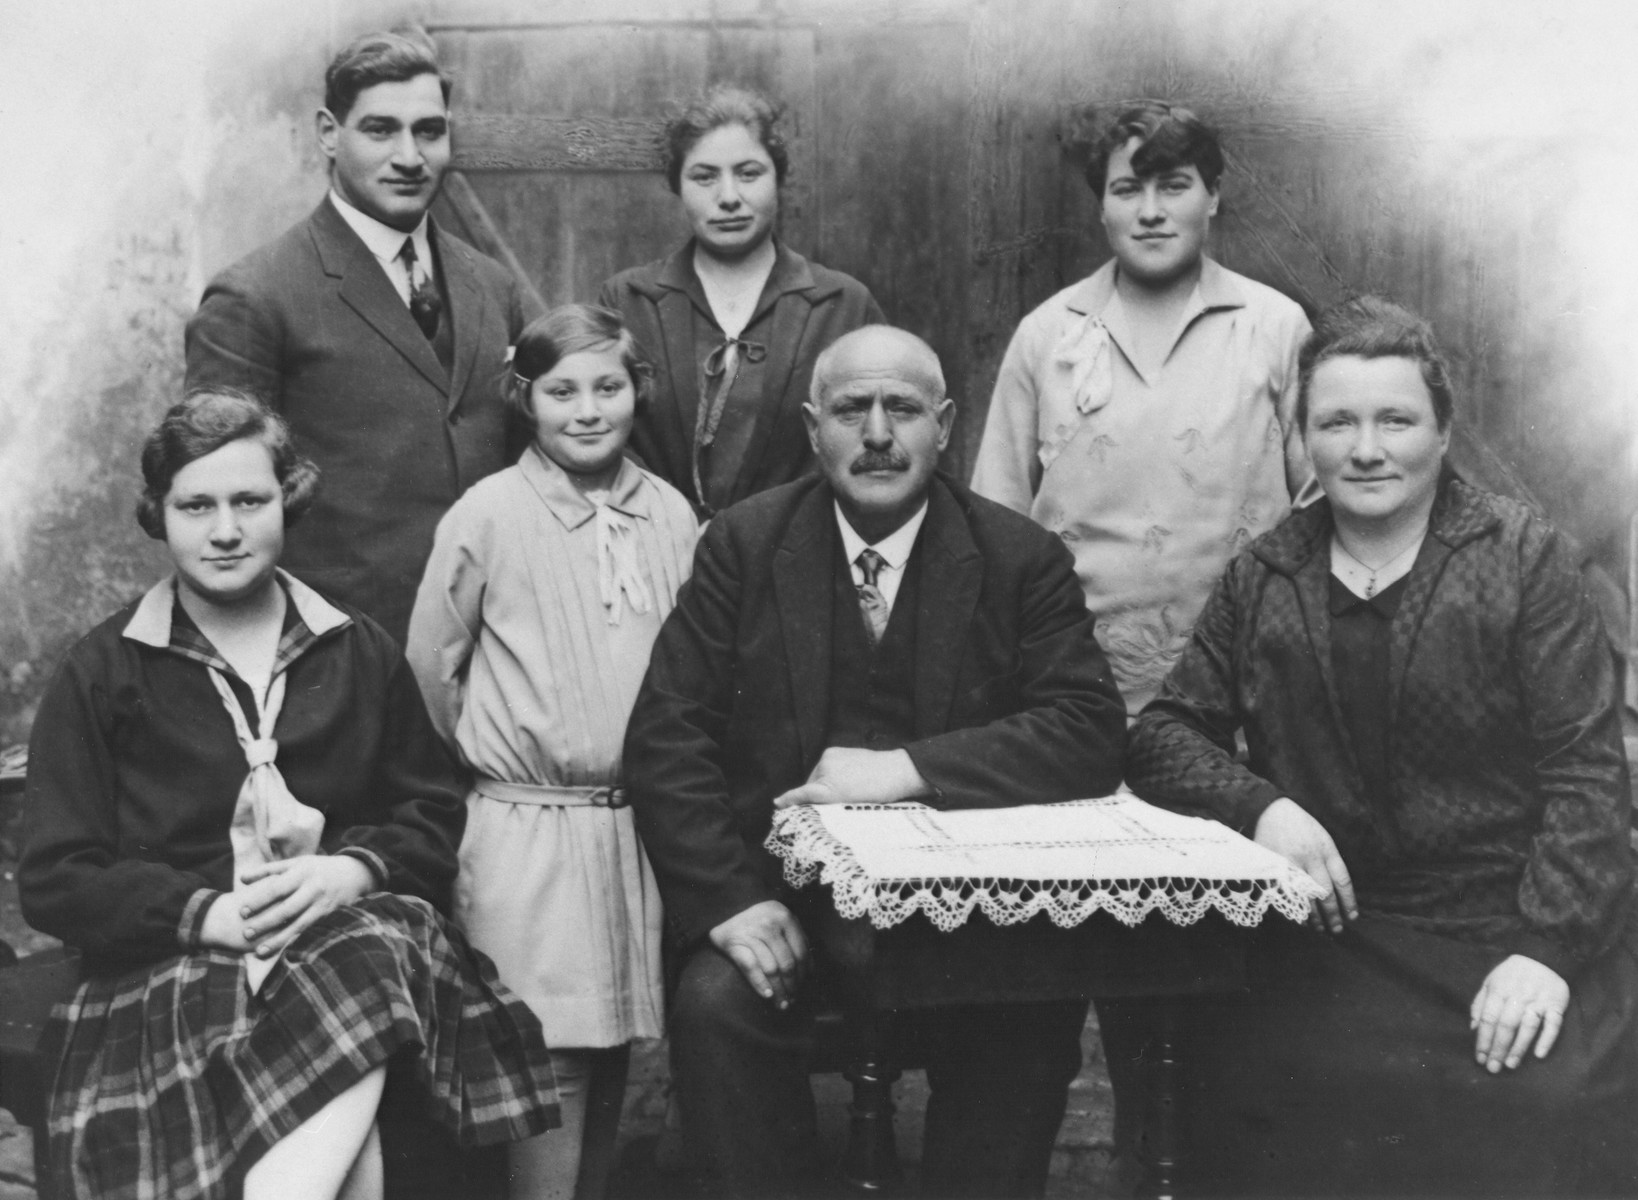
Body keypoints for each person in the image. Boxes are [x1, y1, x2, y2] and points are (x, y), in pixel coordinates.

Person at [1125, 297, 1638, 1196]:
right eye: (1337, 422)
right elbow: (1165, 733)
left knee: (1547, 1099)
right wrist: (1263, 807)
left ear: (1442, 432)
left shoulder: (1523, 561)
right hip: (1337, 934)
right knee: (1262, 1089)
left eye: (1396, 419)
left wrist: (1549, 953)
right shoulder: (1266, 573)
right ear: (1304, 439)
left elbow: (1587, 774)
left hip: (1507, 919)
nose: (1367, 449)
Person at [622, 325, 1128, 1198]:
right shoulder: (743, 546)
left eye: (903, 408)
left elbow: (1088, 729)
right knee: (715, 1004)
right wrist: (732, 904)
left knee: (1037, 1011)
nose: (879, 433)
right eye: (853, 409)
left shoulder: (1018, 558)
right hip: (790, 910)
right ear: (814, 427)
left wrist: (906, 768)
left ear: (946, 425)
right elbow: (668, 736)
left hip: (969, 919)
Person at [18, 391, 559, 1200]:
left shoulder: (355, 648)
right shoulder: (104, 671)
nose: (226, 529)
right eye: (196, 506)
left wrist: (353, 873)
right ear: (157, 515)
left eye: (250, 501)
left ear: (289, 499)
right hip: (177, 967)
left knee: (374, 941)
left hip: (346, 942)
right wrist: (206, 915)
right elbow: (58, 875)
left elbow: (431, 809)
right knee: (358, 1128)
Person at [406, 306, 697, 1200]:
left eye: (608, 387)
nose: (587, 410)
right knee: (548, 1055)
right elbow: (431, 664)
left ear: (637, 392)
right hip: (528, 827)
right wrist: (499, 769)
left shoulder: (670, 512)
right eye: (561, 391)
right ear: (523, 399)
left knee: (612, 1050)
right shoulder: (489, 513)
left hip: (634, 828)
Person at [185, 28, 541, 646]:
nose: (410, 156)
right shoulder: (255, 296)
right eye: (381, 130)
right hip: (338, 654)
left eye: (429, 130)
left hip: (492, 643)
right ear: (329, 133)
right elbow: (218, 514)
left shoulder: (491, 285)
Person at [971, 100, 1314, 715]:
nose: (1151, 212)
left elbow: (1318, 512)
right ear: (1101, 205)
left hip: (1243, 687)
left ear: (1212, 196)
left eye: (1175, 186)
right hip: (1073, 690)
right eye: (1128, 189)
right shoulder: (1047, 334)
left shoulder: (1276, 328)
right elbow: (997, 524)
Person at [597, 84, 884, 519]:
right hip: (660, 551)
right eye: (704, 176)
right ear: (677, 184)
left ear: (778, 178)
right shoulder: (628, 300)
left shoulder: (842, 304)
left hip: (798, 556)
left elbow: (873, 443)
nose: (728, 196)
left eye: (748, 173)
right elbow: (604, 438)